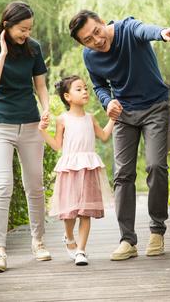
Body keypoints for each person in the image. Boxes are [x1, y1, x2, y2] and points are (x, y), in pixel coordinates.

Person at [68, 10, 170, 261]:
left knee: (155, 166)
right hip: (124, 114)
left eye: (96, 31)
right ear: (82, 44)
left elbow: (146, 30)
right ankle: (127, 240)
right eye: (88, 40)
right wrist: (107, 102)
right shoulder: (90, 56)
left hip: (155, 107)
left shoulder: (127, 29)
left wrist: (162, 33)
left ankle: (157, 231)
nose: (96, 40)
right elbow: (99, 86)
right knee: (123, 174)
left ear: (101, 22)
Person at [0, 1, 52, 273]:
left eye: (29, 28)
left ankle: (38, 241)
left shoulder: (34, 48)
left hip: (31, 125)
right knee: (2, 186)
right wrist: (3, 54)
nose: (26, 34)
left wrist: (46, 110)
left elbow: (41, 85)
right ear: (7, 25)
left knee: (35, 185)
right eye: (22, 29)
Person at [39, 75, 114, 266]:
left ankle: (81, 250)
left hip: (88, 168)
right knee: (69, 212)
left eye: (85, 88)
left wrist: (113, 119)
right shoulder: (62, 119)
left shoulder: (91, 118)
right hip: (70, 169)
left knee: (85, 212)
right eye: (78, 89)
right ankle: (69, 237)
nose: (85, 92)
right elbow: (57, 145)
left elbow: (104, 136)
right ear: (67, 96)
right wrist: (42, 131)